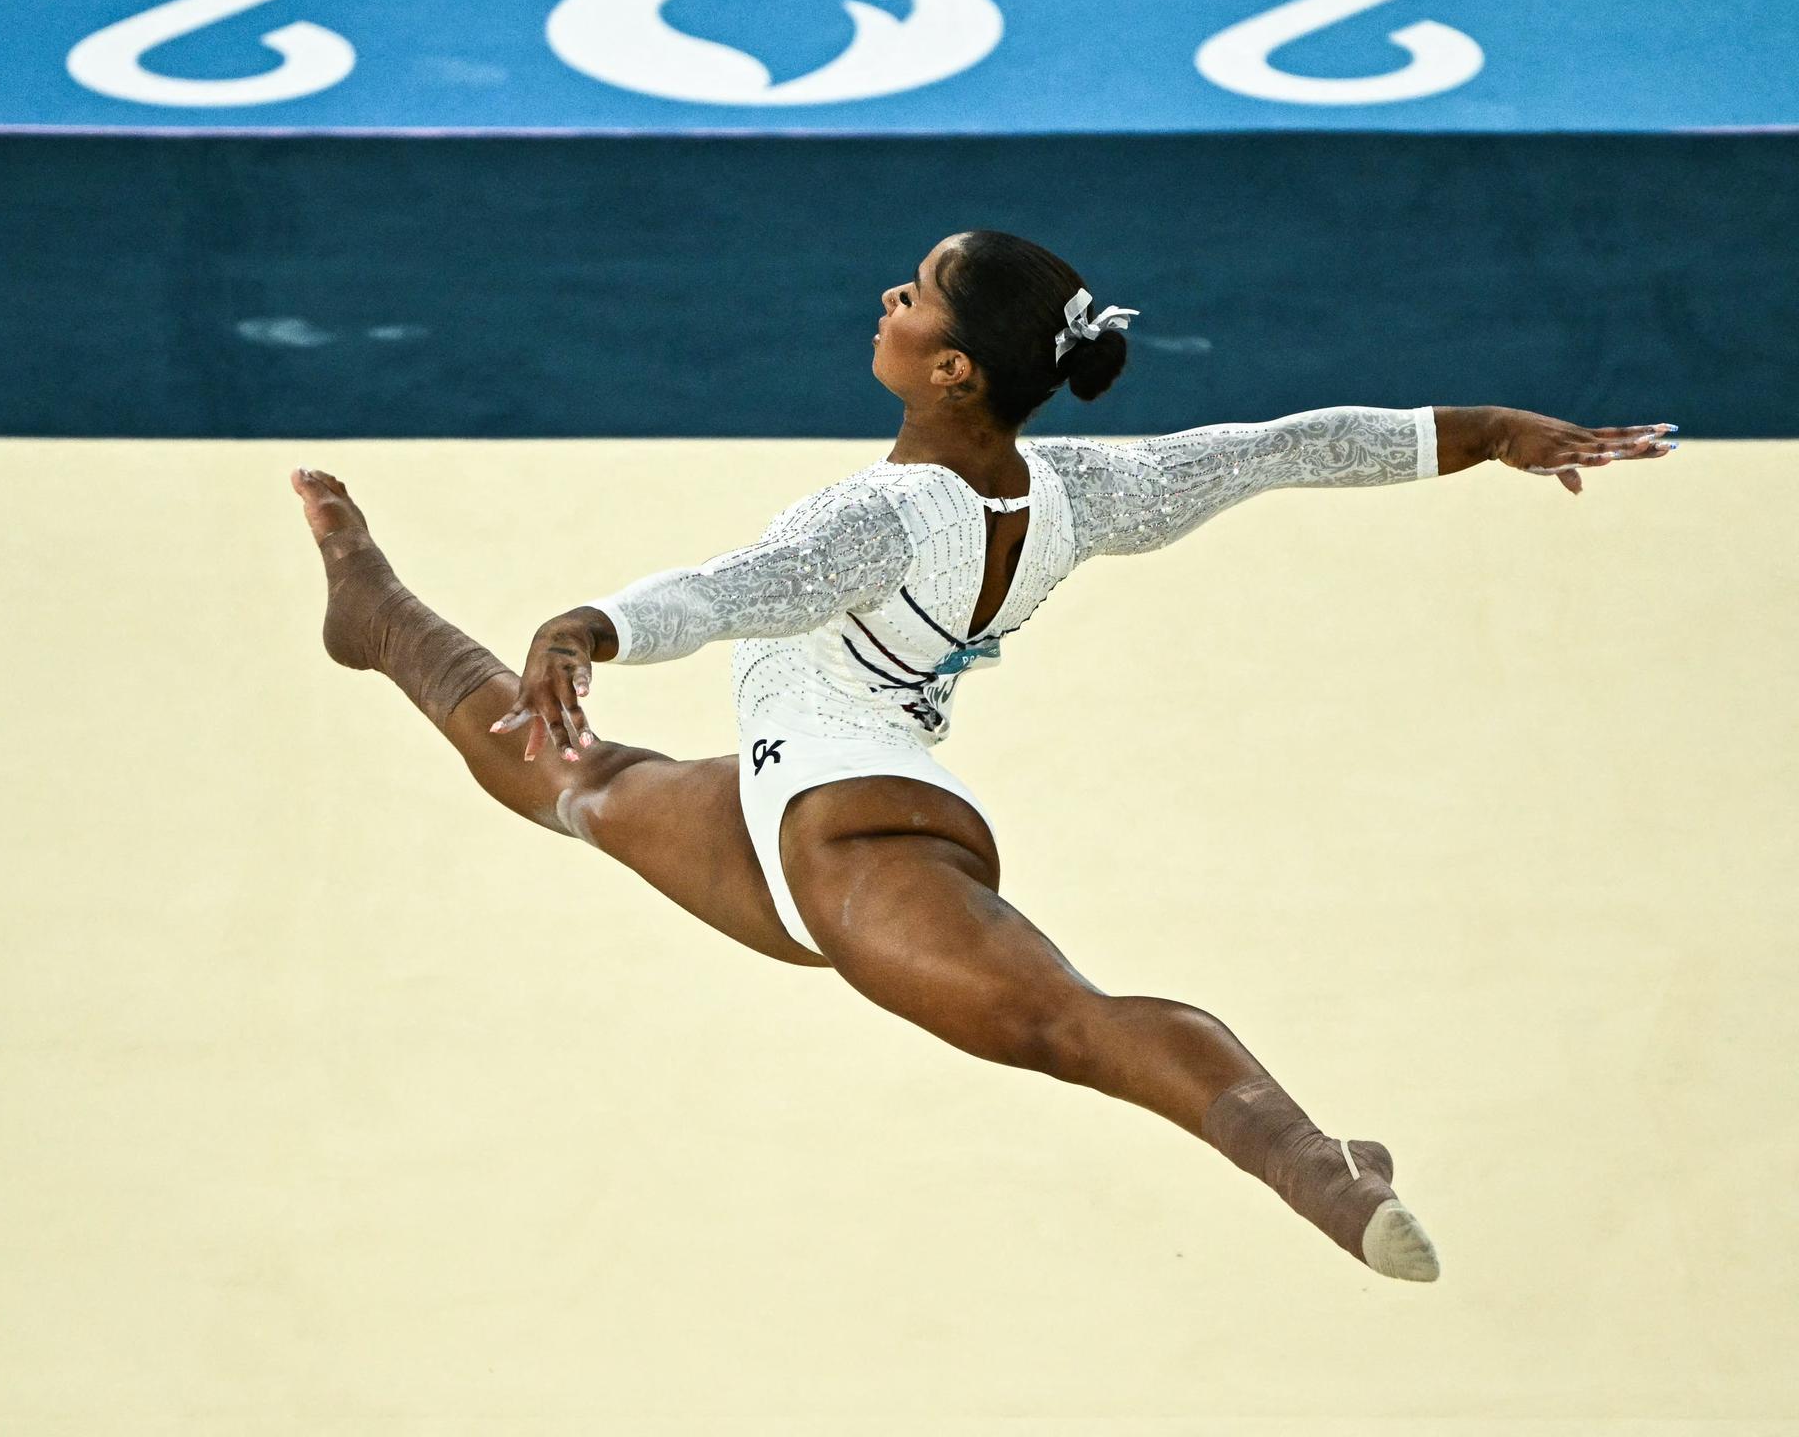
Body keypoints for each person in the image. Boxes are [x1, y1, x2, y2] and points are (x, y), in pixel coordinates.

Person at [290, 229, 1675, 1281]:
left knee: (1073, 1026)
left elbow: (750, 583)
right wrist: (1487, 431)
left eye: (915, 295)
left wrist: (597, 621)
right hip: (791, 814)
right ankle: (379, 610)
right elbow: (1277, 448)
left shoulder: (883, 513)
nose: (889, 302)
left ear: (952, 368)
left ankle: (1316, 1169)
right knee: (571, 776)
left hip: (852, 834)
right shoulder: (1080, 490)